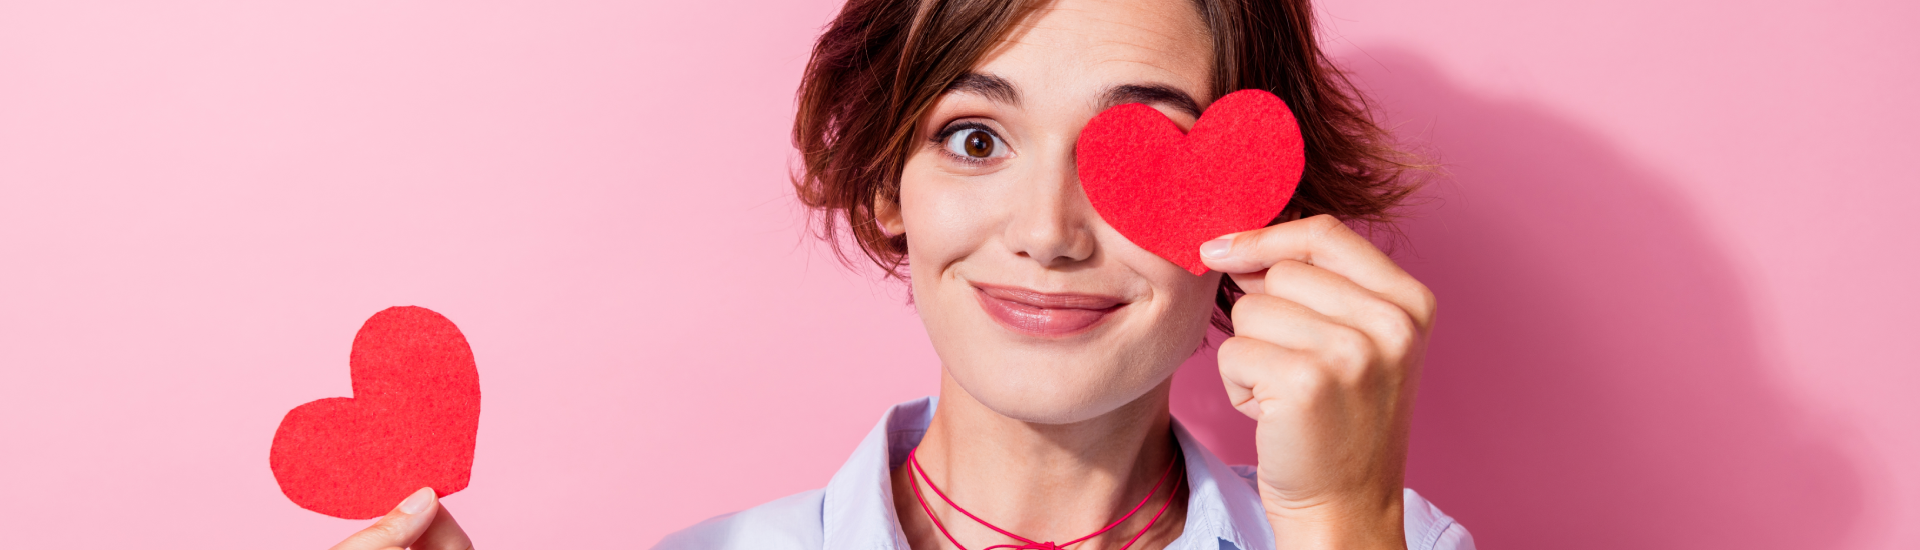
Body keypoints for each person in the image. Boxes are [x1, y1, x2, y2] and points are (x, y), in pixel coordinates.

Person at [327, 0, 1472, 548]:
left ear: (1252, 205)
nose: (1049, 230)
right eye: (976, 138)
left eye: (1142, 154)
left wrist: (1334, 517)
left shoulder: (1383, 541)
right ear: (888, 186)